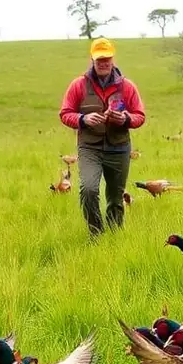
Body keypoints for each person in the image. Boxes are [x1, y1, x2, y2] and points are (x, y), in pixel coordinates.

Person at [59, 37, 145, 237]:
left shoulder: (127, 87)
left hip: (119, 148)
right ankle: (96, 234)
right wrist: (83, 119)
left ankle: (115, 236)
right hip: (90, 148)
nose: (103, 62)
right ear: (92, 60)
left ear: (113, 59)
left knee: (115, 198)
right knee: (88, 189)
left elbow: (140, 116)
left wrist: (125, 118)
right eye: (99, 59)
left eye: (107, 58)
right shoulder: (78, 85)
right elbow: (65, 113)